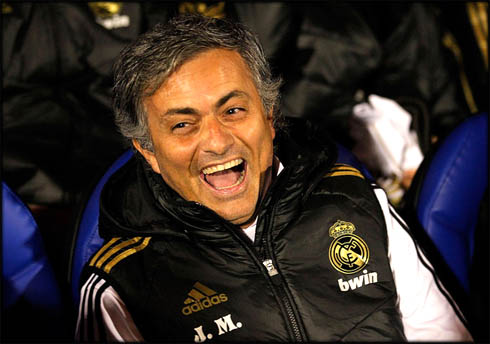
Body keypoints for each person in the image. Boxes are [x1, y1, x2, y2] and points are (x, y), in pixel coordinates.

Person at [76, 14, 472, 342]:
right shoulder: (121, 283)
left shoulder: (357, 201)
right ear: (148, 152)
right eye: (183, 124)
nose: (216, 141)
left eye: (232, 111)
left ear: (269, 117)